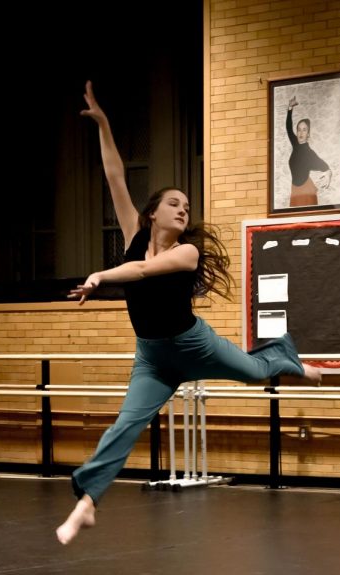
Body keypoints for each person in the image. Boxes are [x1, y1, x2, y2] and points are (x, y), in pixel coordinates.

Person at [55, 81, 322, 545]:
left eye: (187, 206)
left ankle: (295, 362)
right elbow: (115, 175)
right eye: (174, 204)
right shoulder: (135, 233)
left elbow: (141, 270)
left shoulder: (187, 254)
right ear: (153, 212)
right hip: (153, 357)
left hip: (194, 345)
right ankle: (86, 503)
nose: (183, 210)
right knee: (126, 424)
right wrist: (104, 125)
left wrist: (100, 275)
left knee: (256, 371)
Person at [286, 95, 332, 207]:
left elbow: (324, 166)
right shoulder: (295, 145)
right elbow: (288, 127)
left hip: (306, 192)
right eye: (299, 130)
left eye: (304, 130)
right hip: (295, 190)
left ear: (308, 134)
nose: (301, 133)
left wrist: (328, 173)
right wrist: (290, 108)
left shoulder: (309, 153)